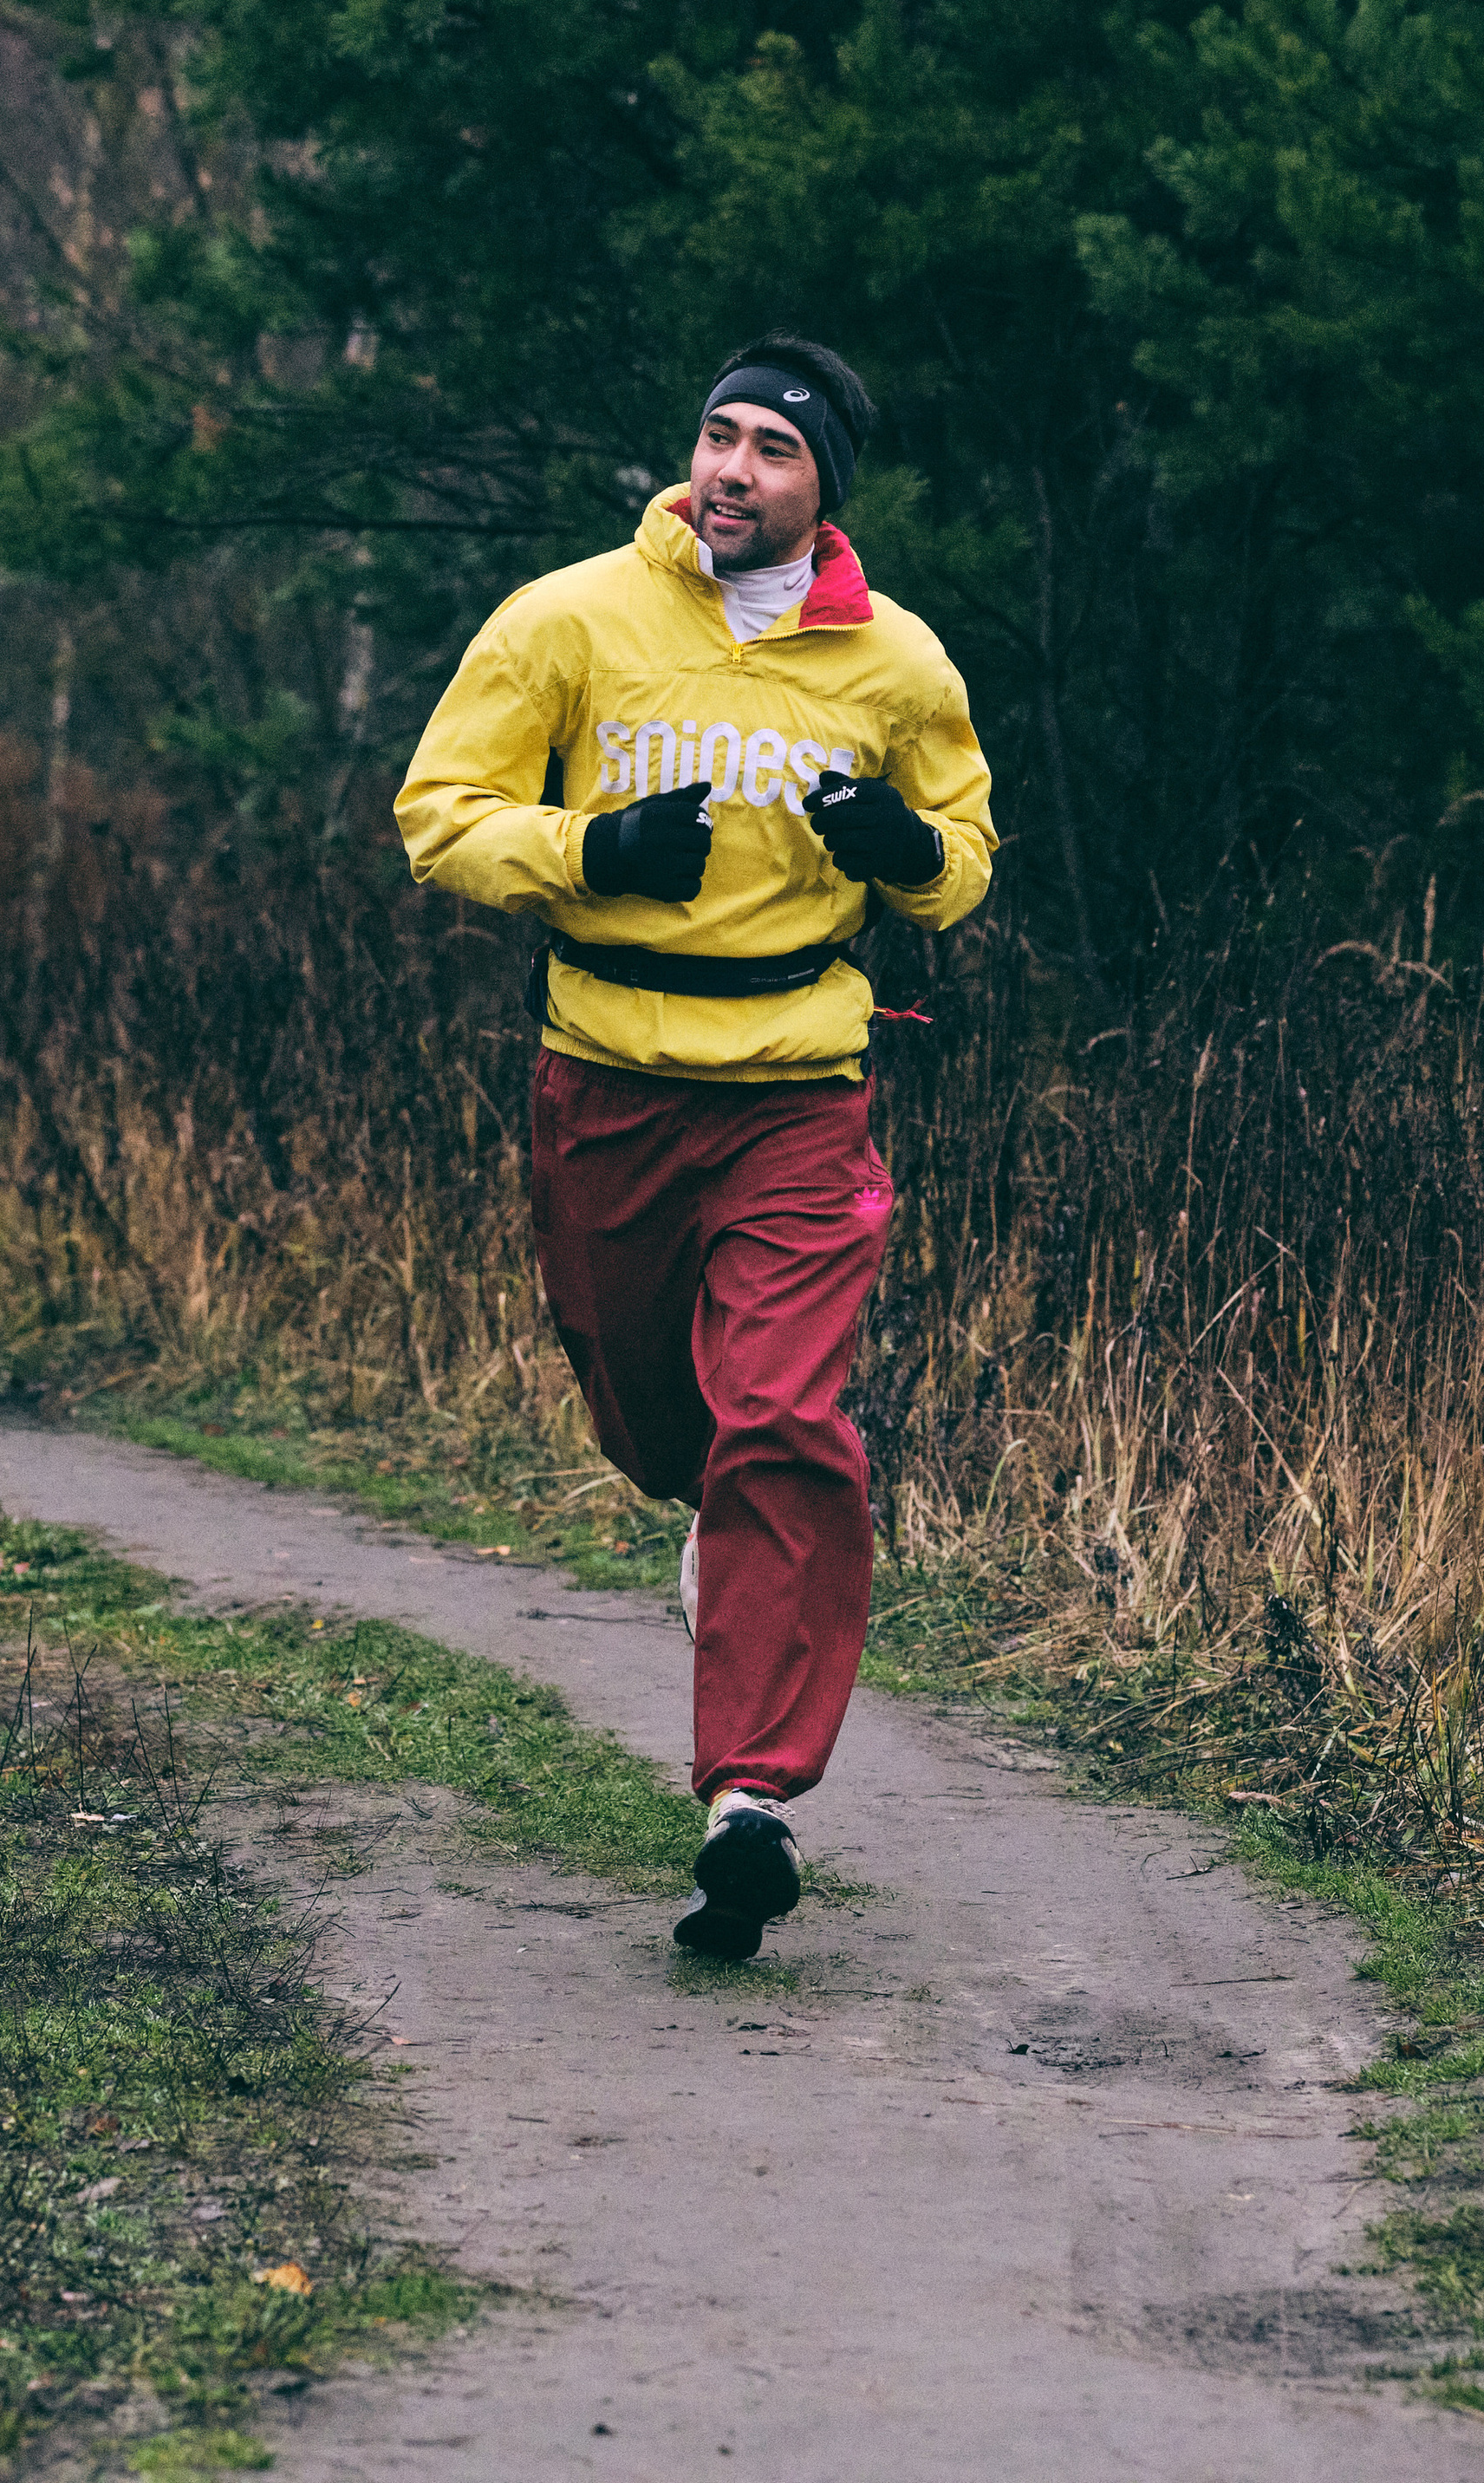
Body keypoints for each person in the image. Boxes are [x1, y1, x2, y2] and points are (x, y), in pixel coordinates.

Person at [394, 336, 996, 1956]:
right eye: (718, 440)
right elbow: (437, 813)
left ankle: (755, 1798)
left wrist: (904, 847)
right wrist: (583, 845)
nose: (733, 471)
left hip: (802, 1085)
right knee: (662, 1422)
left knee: (784, 1420)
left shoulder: (897, 667)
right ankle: (713, 1531)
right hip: (605, 1080)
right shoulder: (570, 620)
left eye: (773, 454)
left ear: (824, 492)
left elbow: (965, 861)